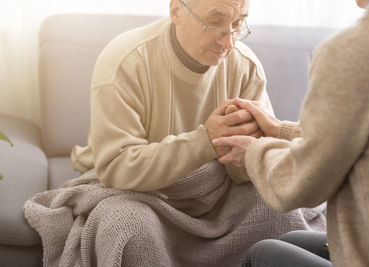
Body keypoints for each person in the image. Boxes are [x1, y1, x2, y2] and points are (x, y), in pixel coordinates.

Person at [58, 0, 326, 265]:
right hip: (141, 193)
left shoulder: (245, 66)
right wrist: (205, 141)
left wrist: (248, 147)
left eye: (238, 23)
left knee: (278, 209)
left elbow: (247, 174)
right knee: (126, 224)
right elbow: (116, 168)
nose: (229, 42)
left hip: (216, 192)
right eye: (215, 21)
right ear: (176, 11)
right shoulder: (127, 61)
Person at [212, 0, 369, 266]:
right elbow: (361, 138)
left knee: (261, 254)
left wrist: (253, 151)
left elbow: (302, 184)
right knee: (292, 240)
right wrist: (280, 130)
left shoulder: (355, 52)